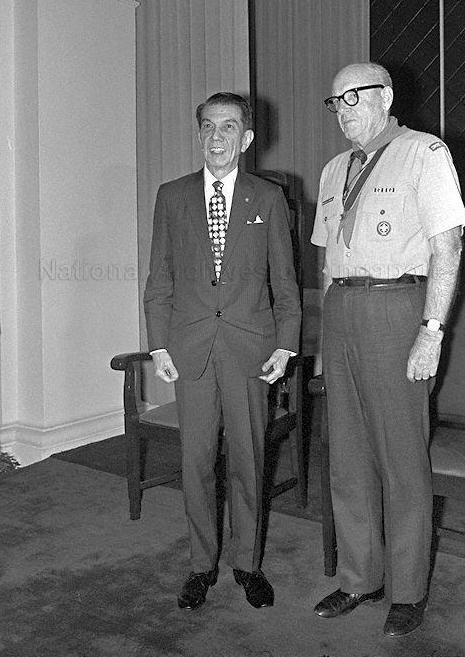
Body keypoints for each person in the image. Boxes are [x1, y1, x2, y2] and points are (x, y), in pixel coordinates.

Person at [311, 63, 465, 637]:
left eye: (354, 96)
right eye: (336, 101)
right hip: (342, 312)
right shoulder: (334, 170)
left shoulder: (424, 153)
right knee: (348, 458)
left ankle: (408, 589)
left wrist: (431, 331)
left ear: (387, 97)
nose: (343, 109)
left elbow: (448, 246)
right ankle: (360, 576)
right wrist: (325, 342)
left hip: (397, 308)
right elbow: (326, 260)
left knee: (402, 461)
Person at [144, 92, 301, 611]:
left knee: (248, 461)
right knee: (196, 464)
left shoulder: (268, 198)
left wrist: (286, 344)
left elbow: (285, 281)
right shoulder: (172, 196)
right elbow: (159, 279)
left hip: (250, 349)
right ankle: (200, 565)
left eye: (229, 127)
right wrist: (158, 344)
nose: (217, 137)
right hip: (190, 349)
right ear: (199, 135)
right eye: (209, 126)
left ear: (247, 138)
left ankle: (248, 564)